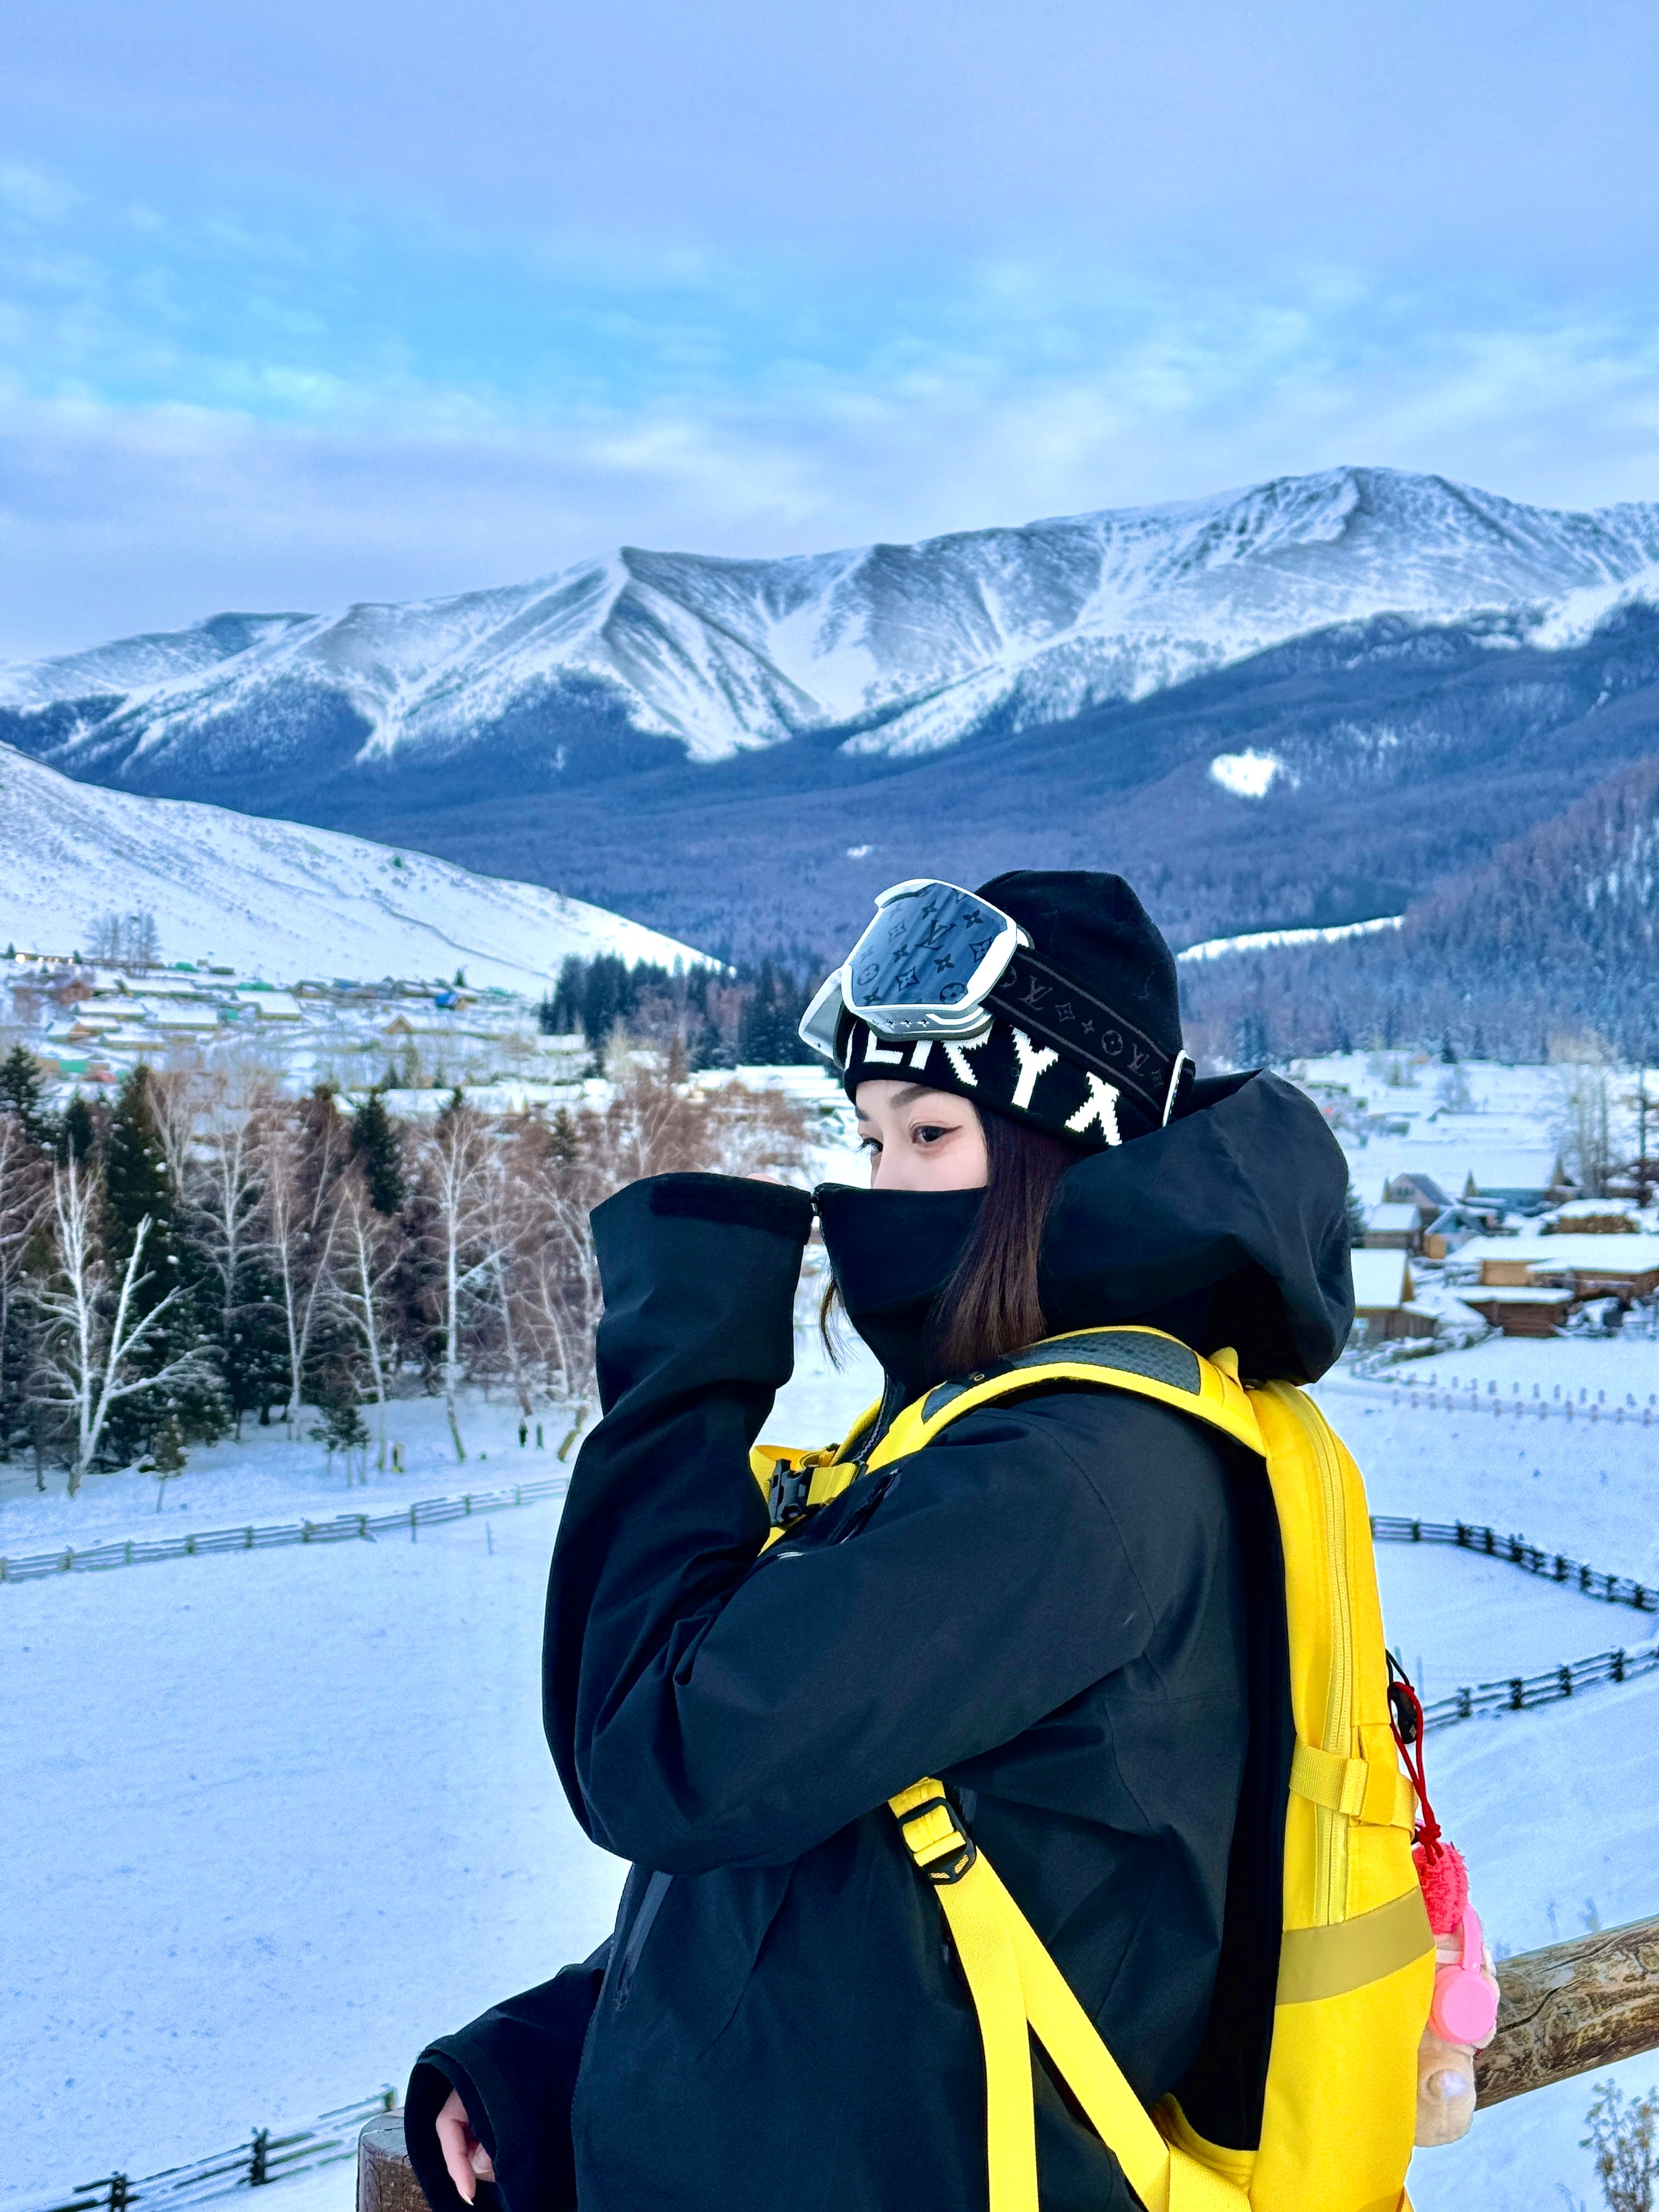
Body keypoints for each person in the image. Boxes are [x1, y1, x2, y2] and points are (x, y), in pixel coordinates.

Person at [404, 870, 1353, 2212]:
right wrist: (557, 2054)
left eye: (931, 1134)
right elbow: (856, 1848)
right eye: (868, 1138)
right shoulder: (1020, 1430)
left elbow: (658, 1755)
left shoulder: (1063, 1480)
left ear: (1063, 1149)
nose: (880, 1187)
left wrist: (686, 1358)